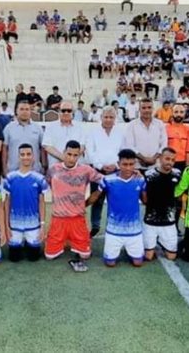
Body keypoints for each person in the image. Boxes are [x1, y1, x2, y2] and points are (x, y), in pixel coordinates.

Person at [45, 140, 103, 272]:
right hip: (58, 219)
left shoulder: (86, 170)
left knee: (85, 256)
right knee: (49, 256)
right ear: (64, 152)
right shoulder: (53, 169)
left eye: (75, 155)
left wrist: (95, 195)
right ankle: (65, 240)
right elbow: (47, 183)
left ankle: (72, 241)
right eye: (69, 154)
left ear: (79, 155)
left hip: (77, 218)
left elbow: (105, 180)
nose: (71, 158)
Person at [91, 149, 147, 267]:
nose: (128, 168)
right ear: (118, 164)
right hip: (113, 230)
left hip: (134, 230)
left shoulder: (140, 179)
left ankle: (130, 250)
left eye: (131, 164)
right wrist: (82, 206)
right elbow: (95, 196)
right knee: (110, 263)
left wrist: (144, 184)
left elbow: (146, 201)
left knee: (138, 263)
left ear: (135, 164)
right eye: (124, 164)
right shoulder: (108, 180)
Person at [3, 144, 49, 262]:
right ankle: (20, 243)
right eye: (22, 154)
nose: (25, 157)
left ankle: (29, 243)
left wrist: (42, 225)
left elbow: (41, 202)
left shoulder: (39, 178)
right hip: (15, 224)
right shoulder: (10, 178)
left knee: (33, 258)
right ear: (18, 157)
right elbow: (7, 203)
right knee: (14, 258)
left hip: (33, 224)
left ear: (33, 156)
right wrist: (7, 226)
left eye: (28, 154)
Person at [86, 106, 126, 236]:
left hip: (115, 172)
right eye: (106, 117)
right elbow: (90, 151)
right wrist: (100, 166)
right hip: (97, 171)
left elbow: (123, 151)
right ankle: (95, 226)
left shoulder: (120, 133)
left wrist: (116, 165)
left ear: (115, 118)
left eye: (111, 117)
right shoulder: (93, 132)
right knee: (96, 199)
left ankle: (113, 225)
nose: (108, 120)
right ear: (101, 117)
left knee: (114, 200)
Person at [143, 148, 183, 261]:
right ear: (160, 158)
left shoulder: (177, 174)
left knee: (171, 256)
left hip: (169, 222)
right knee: (148, 257)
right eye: (167, 159)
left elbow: (180, 196)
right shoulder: (149, 174)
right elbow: (144, 197)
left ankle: (161, 241)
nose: (170, 162)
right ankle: (151, 242)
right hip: (151, 221)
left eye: (173, 160)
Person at [2, 101, 45, 176]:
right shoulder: (8, 128)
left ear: (30, 111)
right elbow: (4, 149)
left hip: (34, 171)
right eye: (21, 109)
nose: (24, 112)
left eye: (27, 109)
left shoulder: (38, 128)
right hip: (13, 170)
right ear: (16, 111)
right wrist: (4, 168)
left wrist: (44, 166)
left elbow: (43, 148)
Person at [124, 98, 168, 171]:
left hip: (156, 166)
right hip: (137, 167)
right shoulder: (131, 125)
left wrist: (154, 158)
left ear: (153, 109)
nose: (147, 110)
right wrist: (143, 159)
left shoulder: (160, 124)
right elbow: (130, 145)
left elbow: (164, 144)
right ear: (139, 109)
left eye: (149, 107)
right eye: (143, 108)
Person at [42, 101, 85, 165]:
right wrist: (64, 158)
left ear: (73, 112)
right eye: (63, 111)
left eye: (69, 111)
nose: (66, 113)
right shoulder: (50, 127)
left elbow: (82, 146)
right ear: (59, 112)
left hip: (76, 165)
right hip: (56, 165)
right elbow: (47, 146)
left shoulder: (80, 127)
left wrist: (72, 159)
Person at [166, 104, 189, 171]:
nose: (179, 114)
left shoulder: (188, 129)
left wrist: (188, 165)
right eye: (176, 112)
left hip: (184, 163)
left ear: (185, 114)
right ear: (172, 113)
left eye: (181, 112)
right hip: (169, 162)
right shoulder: (165, 128)